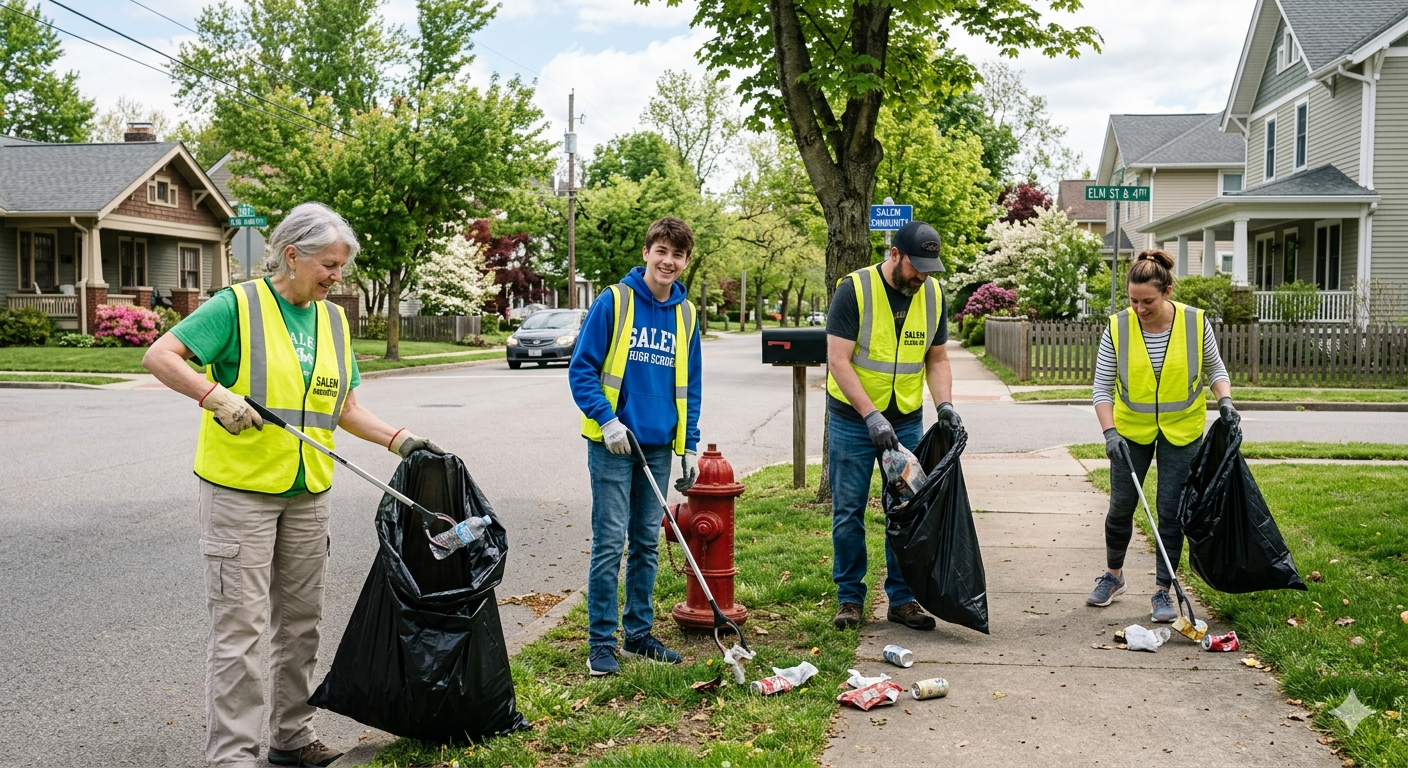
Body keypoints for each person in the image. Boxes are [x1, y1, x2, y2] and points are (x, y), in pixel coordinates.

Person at [143, 203, 443, 768]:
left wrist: (399, 439)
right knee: (241, 632)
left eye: (341, 266)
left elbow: (345, 406)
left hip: (308, 494)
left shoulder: (333, 319)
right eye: (329, 264)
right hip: (241, 492)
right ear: (291, 255)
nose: (337, 276)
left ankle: (290, 738)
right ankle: (232, 756)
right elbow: (160, 355)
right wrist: (216, 396)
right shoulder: (238, 306)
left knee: (301, 623)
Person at [569, 215, 703, 676]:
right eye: (661, 251)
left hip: (659, 446)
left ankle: (639, 635)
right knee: (610, 543)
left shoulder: (685, 316)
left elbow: (692, 387)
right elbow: (581, 370)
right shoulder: (615, 301)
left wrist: (689, 446)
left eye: (678, 254)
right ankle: (601, 641)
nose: (668, 261)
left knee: (645, 541)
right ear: (646, 252)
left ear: (686, 262)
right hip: (612, 445)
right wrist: (606, 421)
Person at [1086, 249, 1238, 622]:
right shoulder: (1118, 326)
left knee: (1170, 511)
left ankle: (1161, 591)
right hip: (1129, 432)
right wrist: (1109, 433)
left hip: (1182, 430)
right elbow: (1101, 389)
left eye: (1148, 301)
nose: (1139, 308)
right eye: (1133, 300)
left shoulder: (1194, 322)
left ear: (1167, 291)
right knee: (1121, 506)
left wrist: (1226, 402)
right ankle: (1113, 576)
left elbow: (1215, 368)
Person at [825, 220, 958, 631]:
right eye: (916, 266)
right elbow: (837, 360)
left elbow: (936, 359)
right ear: (894, 254)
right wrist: (870, 415)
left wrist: (946, 405)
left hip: (905, 418)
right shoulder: (854, 289)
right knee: (848, 511)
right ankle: (850, 598)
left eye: (928, 268)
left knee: (906, 509)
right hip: (852, 419)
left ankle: (901, 599)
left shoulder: (932, 294)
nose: (922, 276)